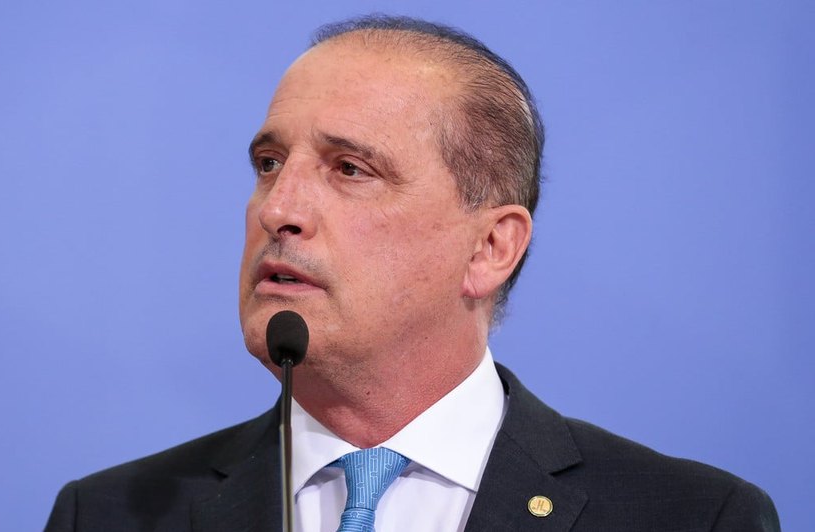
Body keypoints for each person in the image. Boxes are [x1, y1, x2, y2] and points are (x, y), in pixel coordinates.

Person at [45, 15, 779, 531]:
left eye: (350, 169)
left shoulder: (693, 517)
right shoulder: (109, 515)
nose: (279, 209)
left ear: (489, 248)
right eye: (269, 164)